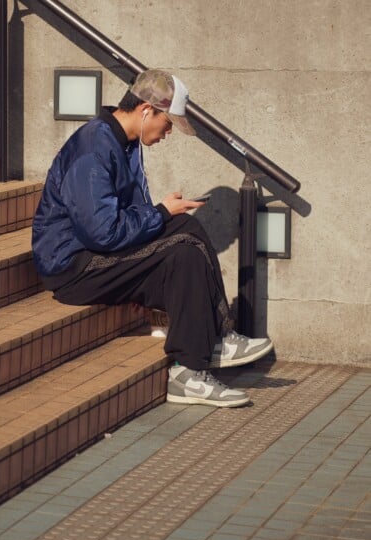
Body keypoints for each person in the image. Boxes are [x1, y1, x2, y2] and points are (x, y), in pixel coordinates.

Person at [32, 69, 273, 407]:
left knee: (184, 255)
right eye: (169, 123)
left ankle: (188, 373)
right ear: (147, 111)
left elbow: (127, 219)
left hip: (98, 255)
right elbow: (102, 232)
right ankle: (219, 334)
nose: (168, 133)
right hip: (73, 267)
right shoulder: (93, 148)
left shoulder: (123, 143)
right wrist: (160, 212)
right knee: (184, 231)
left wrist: (158, 216)